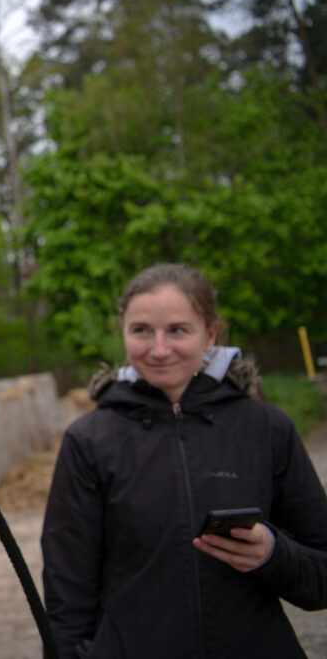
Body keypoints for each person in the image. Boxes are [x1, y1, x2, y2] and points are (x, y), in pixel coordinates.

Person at [41, 263, 327, 658]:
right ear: (123, 332)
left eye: (178, 330)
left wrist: (274, 554)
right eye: (141, 330)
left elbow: (322, 576)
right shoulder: (89, 440)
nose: (159, 350)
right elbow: (66, 592)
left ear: (209, 335)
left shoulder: (267, 428)